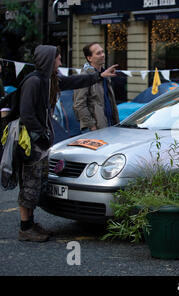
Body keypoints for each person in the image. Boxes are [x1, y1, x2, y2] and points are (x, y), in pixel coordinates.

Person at [18, 45, 118, 242]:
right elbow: (27, 113)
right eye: (58, 59)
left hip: (41, 142)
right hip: (30, 142)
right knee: (29, 184)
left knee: (37, 183)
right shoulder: (34, 81)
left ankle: (30, 223)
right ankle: (25, 227)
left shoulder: (50, 80)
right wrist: (40, 134)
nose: (61, 62)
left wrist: (100, 76)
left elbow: (74, 81)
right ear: (48, 60)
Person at [73, 43, 120, 133]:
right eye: (98, 53)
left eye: (103, 52)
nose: (102, 55)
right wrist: (91, 125)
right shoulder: (84, 76)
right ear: (89, 58)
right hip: (94, 128)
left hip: (109, 124)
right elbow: (79, 104)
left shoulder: (105, 74)